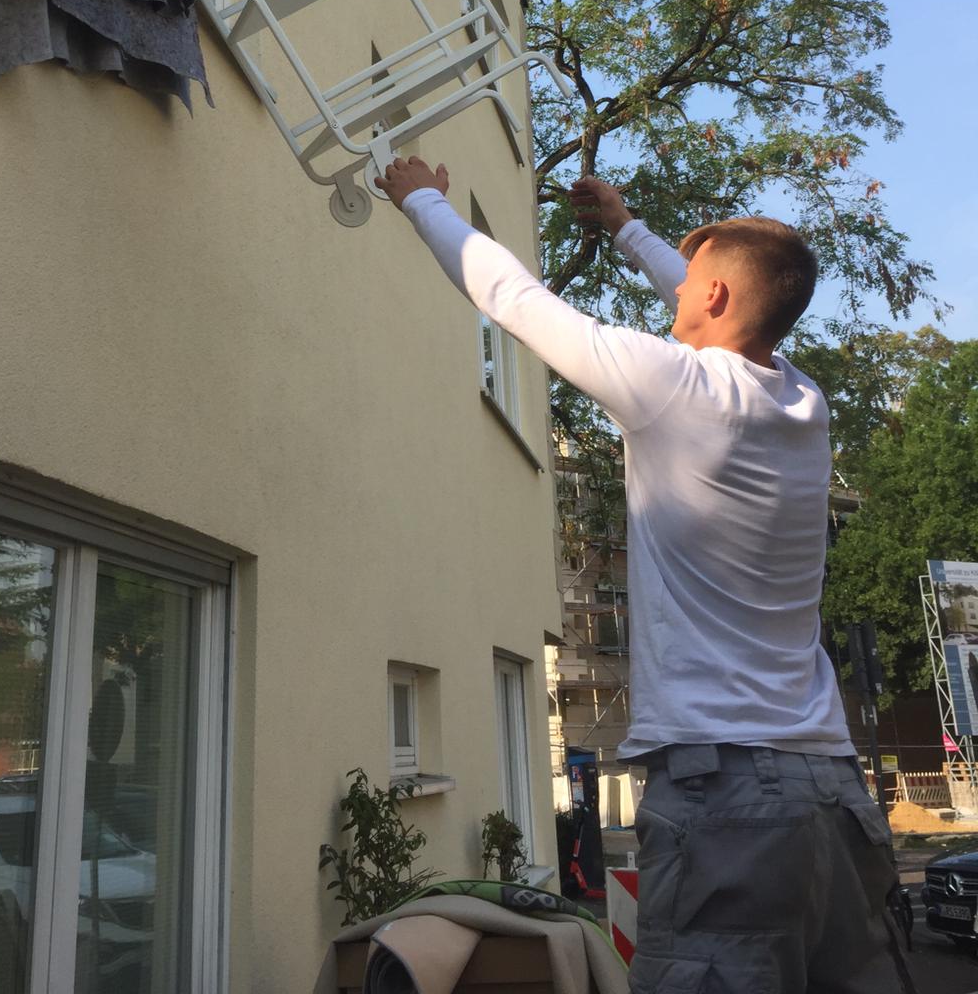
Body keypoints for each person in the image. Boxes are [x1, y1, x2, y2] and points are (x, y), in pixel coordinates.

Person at [375, 155, 914, 994]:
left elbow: (515, 300)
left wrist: (423, 202)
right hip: (829, 785)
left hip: (730, 792)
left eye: (691, 279)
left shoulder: (674, 387)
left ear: (717, 299)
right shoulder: (802, 402)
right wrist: (628, 230)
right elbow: (717, 295)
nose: (678, 290)